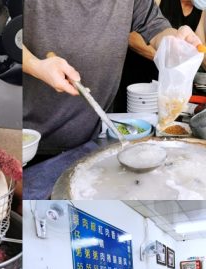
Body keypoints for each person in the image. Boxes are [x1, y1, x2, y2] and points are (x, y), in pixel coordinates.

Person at [23, 0, 203, 158]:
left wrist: (176, 40)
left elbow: (156, 27)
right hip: (30, 139)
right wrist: (36, 66)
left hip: (95, 135)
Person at [116, 0, 204, 111]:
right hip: (139, 83)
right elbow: (131, 37)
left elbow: (201, 47)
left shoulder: (199, 11)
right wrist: (165, 59)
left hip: (167, 88)